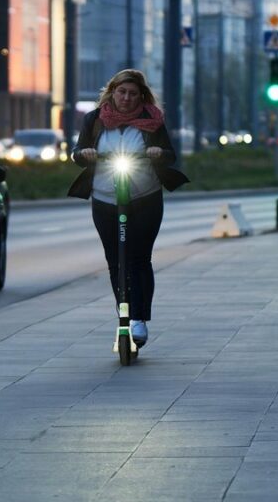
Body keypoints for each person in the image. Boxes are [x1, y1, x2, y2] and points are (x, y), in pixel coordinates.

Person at [68, 69, 189, 347]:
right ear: (112, 92)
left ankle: (139, 318)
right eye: (122, 92)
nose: (126, 98)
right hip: (105, 198)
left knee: (138, 259)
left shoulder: (152, 122)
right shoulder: (95, 120)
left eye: (133, 93)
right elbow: (77, 152)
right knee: (115, 261)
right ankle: (123, 316)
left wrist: (158, 154)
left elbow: (170, 154)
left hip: (144, 196)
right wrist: (84, 154)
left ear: (141, 96)